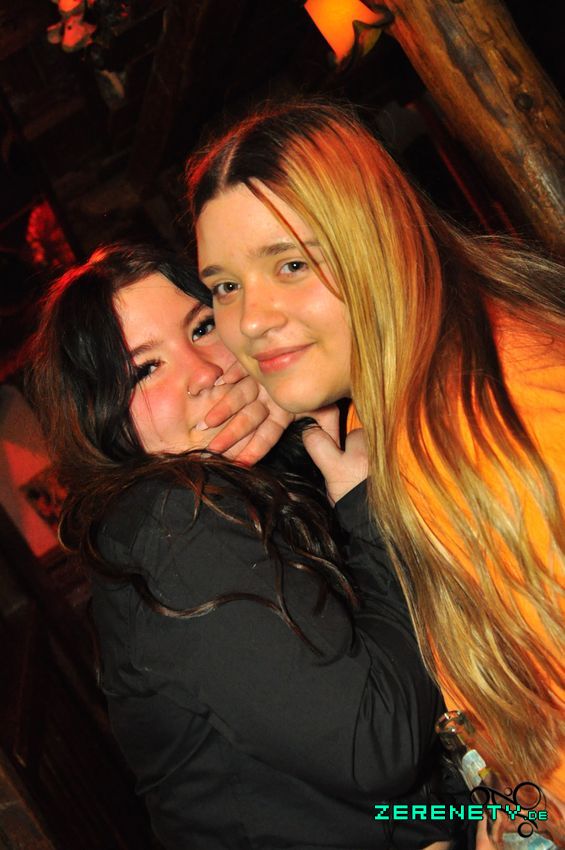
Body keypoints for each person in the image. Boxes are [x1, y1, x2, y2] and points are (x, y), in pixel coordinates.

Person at [185, 100, 565, 811]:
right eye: (225, 287)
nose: (250, 320)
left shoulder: (505, 422)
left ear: (378, 243)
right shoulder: (399, 390)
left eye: (291, 263)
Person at [28, 243, 461, 850]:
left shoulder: (248, 480)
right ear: (102, 419)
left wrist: (305, 397)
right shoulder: (172, 523)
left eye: (202, 328)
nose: (206, 371)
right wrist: (365, 508)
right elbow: (375, 742)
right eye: (145, 369)